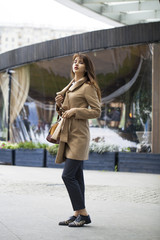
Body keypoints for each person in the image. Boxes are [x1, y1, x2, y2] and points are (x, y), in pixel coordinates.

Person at [55, 53, 101, 227]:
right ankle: (77, 214)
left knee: (67, 175)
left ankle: (84, 213)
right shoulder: (71, 85)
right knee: (76, 176)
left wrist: (75, 111)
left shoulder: (88, 86)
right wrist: (59, 104)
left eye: (81, 63)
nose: (76, 64)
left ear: (86, 68)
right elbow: (64, 112)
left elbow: (96, 111)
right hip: (69, 134)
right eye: (75, 62)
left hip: (79, 136)